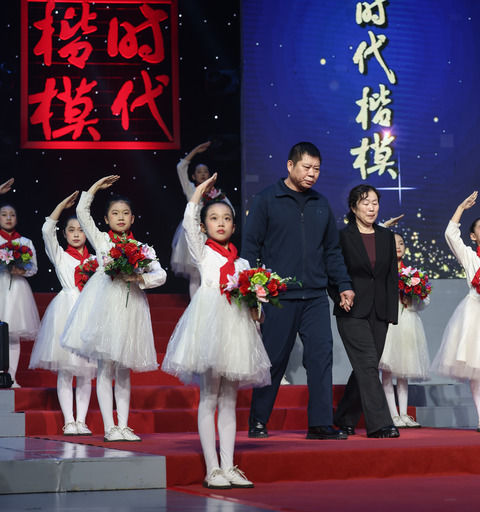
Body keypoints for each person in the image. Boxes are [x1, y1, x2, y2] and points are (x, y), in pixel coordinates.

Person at [162, 173, 270, 489]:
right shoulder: (202, 252)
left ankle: (228, 465)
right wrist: (198, 194)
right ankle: (212, 468)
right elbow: (187, 223)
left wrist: (257, 312)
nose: (220, 223)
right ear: (204, 225)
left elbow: (254, 304)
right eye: (213, 218)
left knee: (230, 401)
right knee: (209, 397)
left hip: (236, 331)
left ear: (234, 227)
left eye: (226, 219)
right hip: (210, 329)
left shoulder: (244, 263)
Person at [242, 141, 354, 441]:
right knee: (274, 359)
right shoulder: (267, 200)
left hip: (315, 296)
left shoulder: (321, 204)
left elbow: (332, 251)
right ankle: (258, 420)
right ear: (290, 165)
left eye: (317, 169)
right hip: (279, 296)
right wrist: (253, 290)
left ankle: (320, 424)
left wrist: (344, 285)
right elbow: (250, 247)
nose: (312, 174)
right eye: (306, 167)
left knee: (320, 356)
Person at [61, 176, 166, 442]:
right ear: (106, 219)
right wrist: (95, 187)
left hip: (131, 310)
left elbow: (161, 275)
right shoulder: (101, 241)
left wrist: (139, 278)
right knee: (105, 368)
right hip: (105, 309)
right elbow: (82, 211)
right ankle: (110, 427)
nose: (120, 217)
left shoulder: (142, 248)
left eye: (125, 213)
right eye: (115, 213)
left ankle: (124, 425)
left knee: (124, 371)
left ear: (133, 218)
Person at [332, 184, 399, 438]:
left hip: (379, 311)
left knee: (366, 366)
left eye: (375, 203)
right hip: (352, 310)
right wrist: (339, 295)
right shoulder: (342, 237)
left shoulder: (386, 236)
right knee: (368, 364)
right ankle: (380, 424)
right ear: (353, 207)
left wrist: (391, 313)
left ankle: (345, 417)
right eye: (365, 203)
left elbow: (391, 276)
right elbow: (333, 271)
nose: (371, 208)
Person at [29, 192, 97, 435]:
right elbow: (47, 230)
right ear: (65, 234)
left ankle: (82, 421)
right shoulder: (60, 256)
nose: (77, 234)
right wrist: (60, 207)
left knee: (87, 371)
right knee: (66, 370)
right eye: (71, 230)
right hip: (66, 312)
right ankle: (69, 421)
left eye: (81, 230)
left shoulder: (96, 259)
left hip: (89, 313)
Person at [430, 191, 480, 430]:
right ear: (473, 236)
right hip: (475, 314)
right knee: (477, 370)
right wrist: (460, 208)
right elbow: (451, 234)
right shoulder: (470, 257)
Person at [379, 232, 430, 428]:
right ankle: (392, 416)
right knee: (388, 371)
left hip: (408, 324)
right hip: (389, 324)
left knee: (403, 372)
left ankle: (404, 414)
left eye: (401, 243)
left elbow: (425, 302)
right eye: (394, 244)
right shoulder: (382, 271)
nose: (398, 246)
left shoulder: (414, 274)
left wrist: (414, 299)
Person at [171, 141, 230, 298]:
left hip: (211, 235)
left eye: (205, 171)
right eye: (199, 172)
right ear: (193, 176)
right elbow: (180, 167)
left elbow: (230, 211)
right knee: (196, 274)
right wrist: (196, 150)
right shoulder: (191, 189)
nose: (203, 174)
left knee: (212, 273)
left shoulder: (217, 194)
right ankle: (195, 308)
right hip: (195, 233)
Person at [0, 180, 40, 388]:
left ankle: (12, 377)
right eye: (4, 214)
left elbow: (34, 268)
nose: (8, 218)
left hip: (16, 291)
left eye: (12, 214)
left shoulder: (25, 242)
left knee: (13, 335)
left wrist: (21, 270)